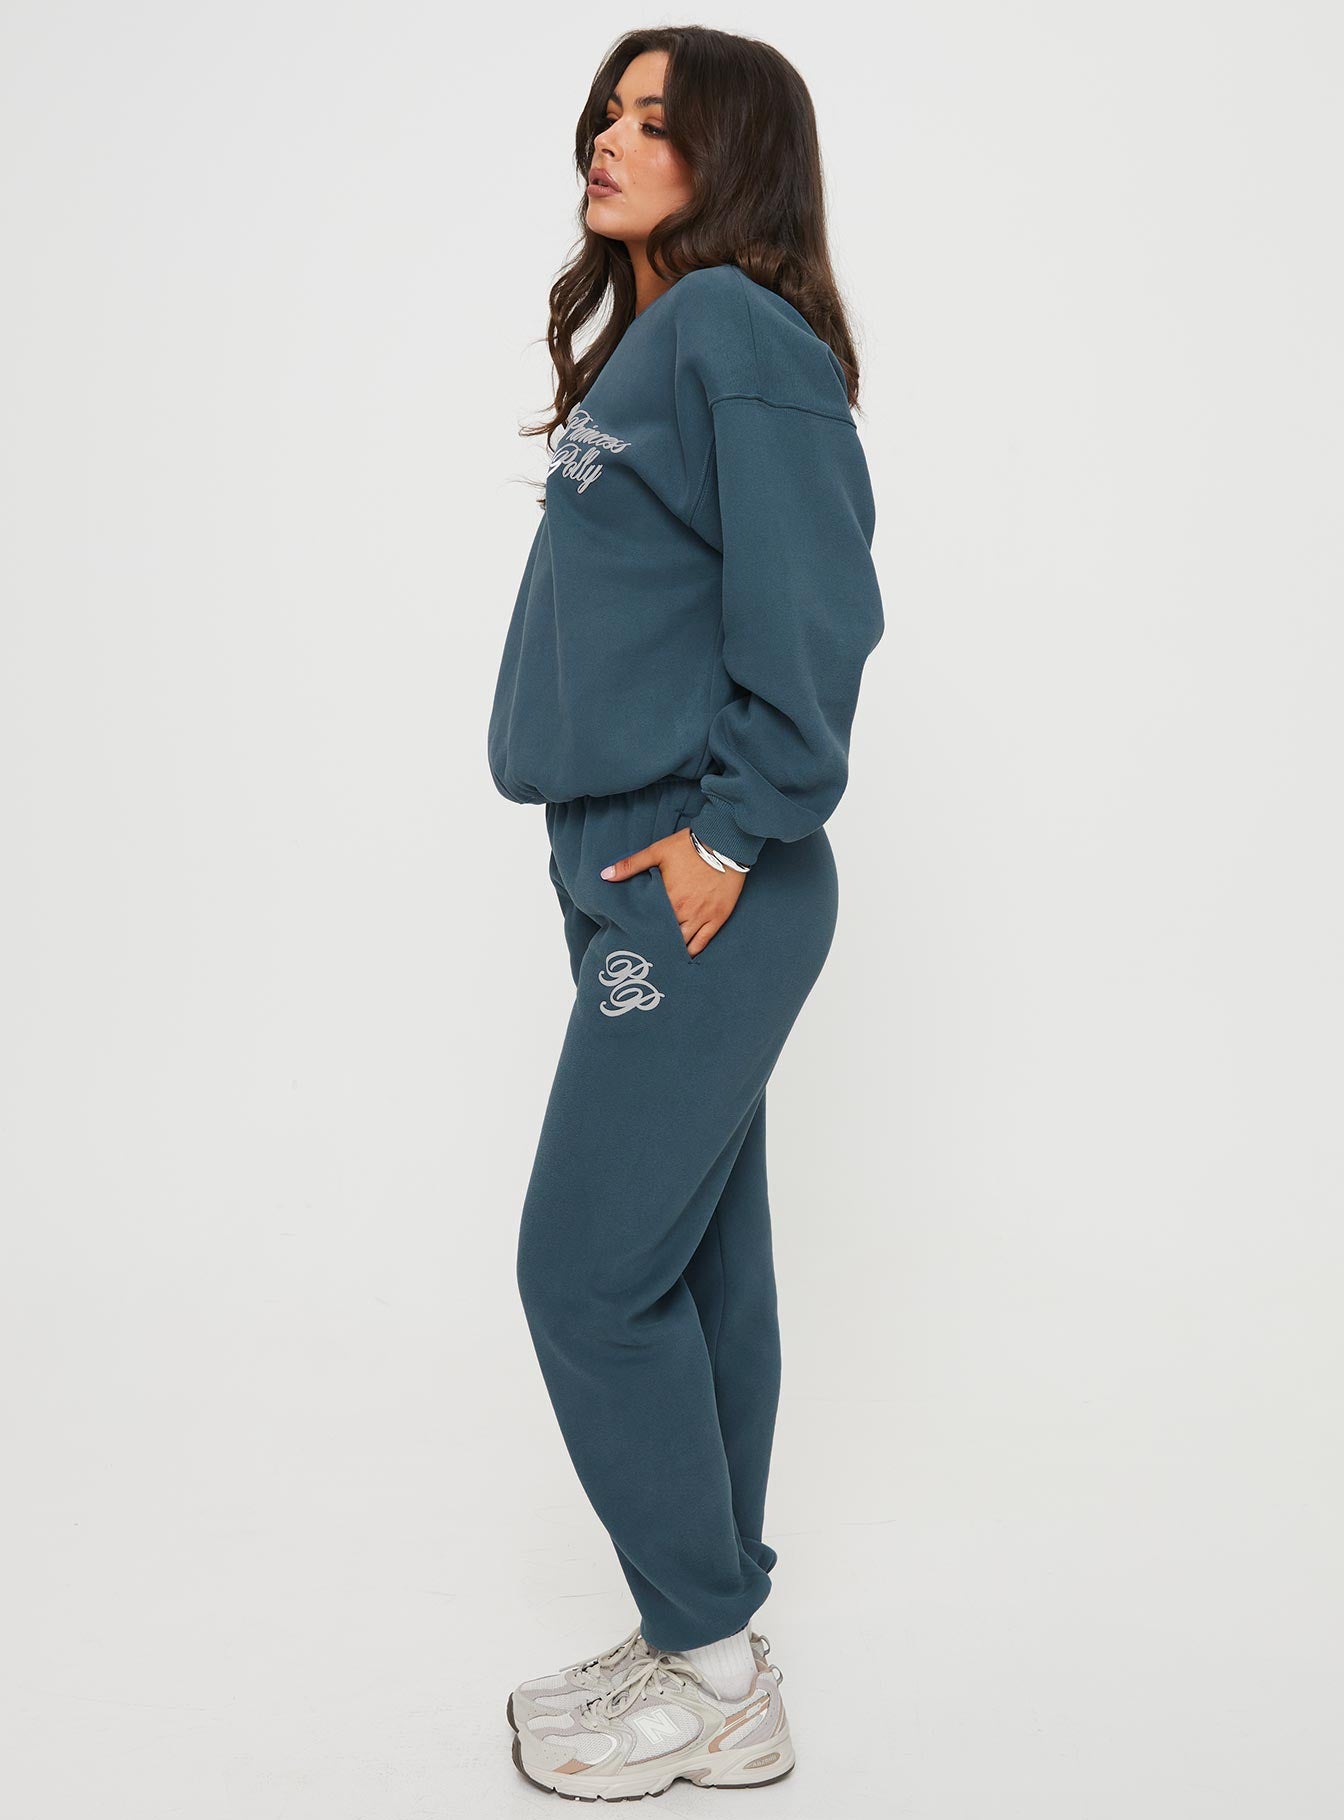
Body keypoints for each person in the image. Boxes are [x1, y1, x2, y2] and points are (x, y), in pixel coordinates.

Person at [485, 25, 886, 1800]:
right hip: (625, 858)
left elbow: (819, 605)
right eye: (609, 106)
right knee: (697, 1267)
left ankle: (714, 1665)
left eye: (658, 118)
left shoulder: (734, 330)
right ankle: (702, 1641)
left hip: (702, 865)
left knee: (582, 1273)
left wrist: (733, 829)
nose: (611, 133)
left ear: (737, 158)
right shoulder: (654, 340)